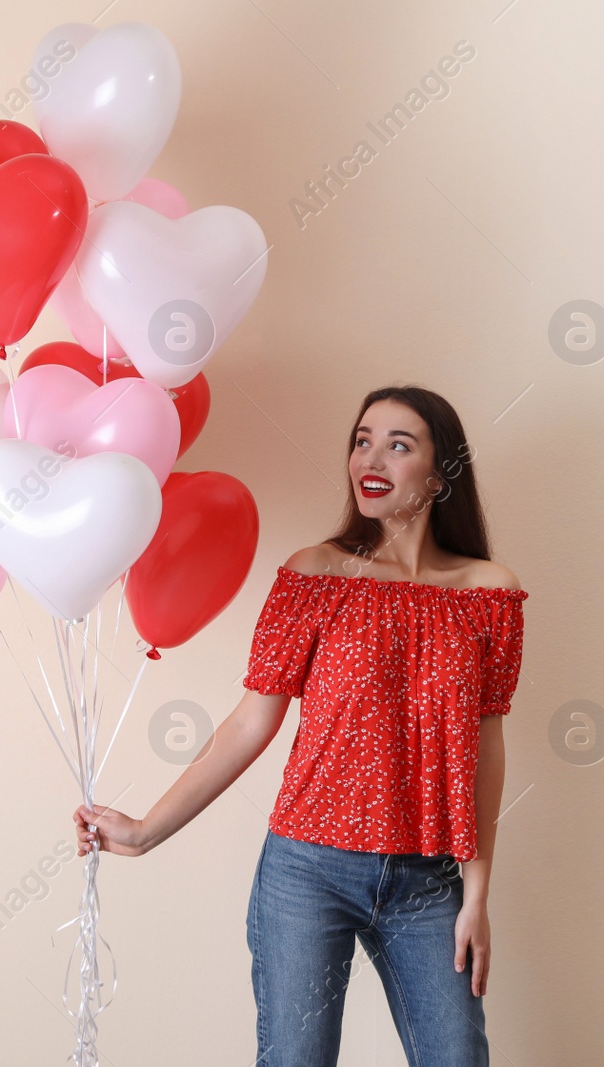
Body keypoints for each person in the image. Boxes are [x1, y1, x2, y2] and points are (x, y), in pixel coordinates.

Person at [73, 385, 528, 1067]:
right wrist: (144, 829)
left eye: (398, 445)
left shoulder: (490, 593)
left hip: (431, 882)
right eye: (362, 439)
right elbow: (250, 724)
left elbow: (485, 752)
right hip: (308, 871)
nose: (370, 457)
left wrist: (477, 893)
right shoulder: (312, 575)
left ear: (439, 474)